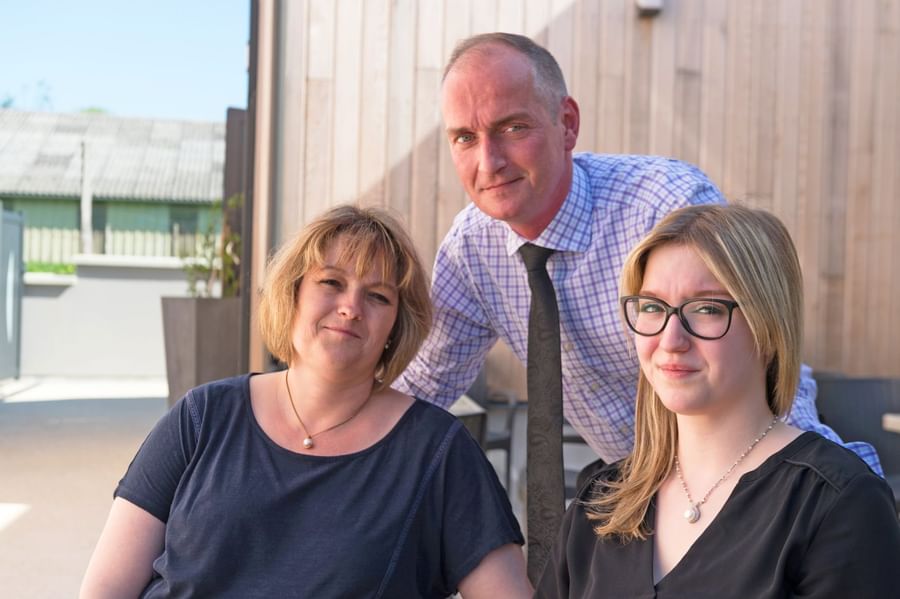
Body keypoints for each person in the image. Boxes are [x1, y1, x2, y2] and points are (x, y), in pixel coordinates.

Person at [393, 32, 881, 473]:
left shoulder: (663, 205)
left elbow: (757, 358)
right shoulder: (472, 250)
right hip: (643, 499)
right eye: (465, 138)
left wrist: (816, 490)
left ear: (567, 124)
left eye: (513, 128)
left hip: (745, 475)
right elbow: (420, 391)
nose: (490, 162)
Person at [80, 205, 532, 598]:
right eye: (331, 282)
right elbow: (105, 588)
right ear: (292, 293)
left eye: (377, 296)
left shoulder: (438, 452)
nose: (351, 307)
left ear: (396, 326)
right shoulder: (201, 417)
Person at [535, 204, 900, 597]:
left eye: (706, 309)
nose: (670, 340)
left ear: (769, 326)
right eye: (653, 307)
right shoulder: (603, 498)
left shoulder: (836, 502)